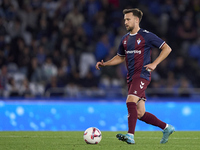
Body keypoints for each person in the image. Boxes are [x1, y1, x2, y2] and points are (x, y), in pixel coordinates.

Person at [95, 8, 175, 144]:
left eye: (128, 19)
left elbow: (167, 48)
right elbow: (120, 57)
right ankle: (166, 128)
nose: (125, 22)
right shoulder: (125, 39)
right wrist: (106, 64)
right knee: (139, 114)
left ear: (136, 20)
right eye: (124, 19)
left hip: (142, 75)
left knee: (130, 101)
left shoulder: (146, 35)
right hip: (131, 78)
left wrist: (155, 63)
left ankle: (130, 135)